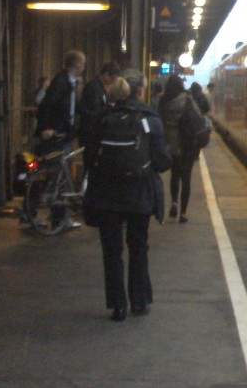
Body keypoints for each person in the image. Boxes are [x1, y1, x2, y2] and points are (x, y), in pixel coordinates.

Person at [84, 70, 171, 321]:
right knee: (138, 248)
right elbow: (162, 161)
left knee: (111, 251)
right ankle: (140, 301)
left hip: (106, 195)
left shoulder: (102, 119)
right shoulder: (149, 120)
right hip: (139, 195)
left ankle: (118, 306)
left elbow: (90, 158)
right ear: (141, 91)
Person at [158, 74, 203, 223]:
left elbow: (159, 120)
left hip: (171, 144)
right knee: (186, 178)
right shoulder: (187, 99)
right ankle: (183, 213)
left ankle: (174, 203)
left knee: (175, 176)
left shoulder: (163, 100)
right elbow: (198, 118)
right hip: (187, 143)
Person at [34, 50, 86, 152]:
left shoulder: (72, 83)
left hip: (65, 132)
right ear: (76, 64)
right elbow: (46, 104)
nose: (84, 67)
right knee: (57, 164)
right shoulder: (60, 82)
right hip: (54, 132)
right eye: (83, 64)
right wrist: (45, 127)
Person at [78, 61, 122, 171]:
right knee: (90, 163)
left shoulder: (100, 87)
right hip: (90, 133)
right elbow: (93, 110)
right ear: (106, 74)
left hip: (95, 132)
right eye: (112, 79)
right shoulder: (93, 88)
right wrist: (109, 107)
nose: (112, 83)